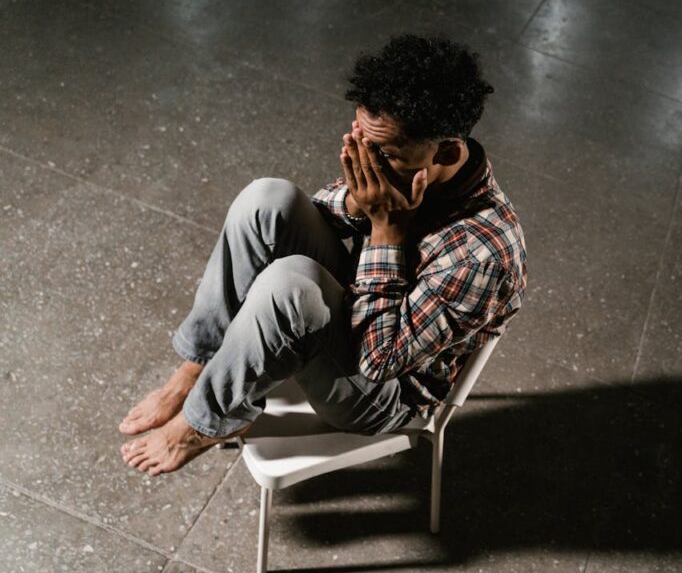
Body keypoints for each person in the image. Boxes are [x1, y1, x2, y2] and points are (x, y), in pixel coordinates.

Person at [119, 34, 527, 476]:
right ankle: (196, 368)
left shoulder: (484, 255)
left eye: (383, 153)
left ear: (446, 150)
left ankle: (204, 423)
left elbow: (379, 361)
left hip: (384, 391)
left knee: (290, 286)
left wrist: (386, 230)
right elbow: (317, 212)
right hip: (357, 310)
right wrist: (359, 205)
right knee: (267, 201)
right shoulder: (404, 164)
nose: (365, 161)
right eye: (362, 142)